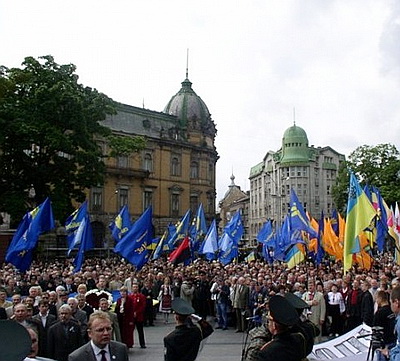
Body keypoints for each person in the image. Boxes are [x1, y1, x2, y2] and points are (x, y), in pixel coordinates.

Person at [254, 295, 307, 361]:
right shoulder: (298, 339)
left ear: (274, 326)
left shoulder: (266, 351)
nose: (268, 324)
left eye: (269, 321)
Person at [374, 291, 396, 361]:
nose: (376, 301)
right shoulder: (392, 310)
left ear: (380, 298)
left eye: (376, 299)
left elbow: (376, 330)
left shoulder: (379, 313)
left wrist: (376, 345)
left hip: (384, 344)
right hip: (394, 340)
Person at [131, 282, 147, 348]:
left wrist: (137, 312)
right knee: (130, 331)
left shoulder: (141, 296)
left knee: (140, 330)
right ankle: (130, 343)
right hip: (131, 316)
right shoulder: (130, 296)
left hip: (139, 316)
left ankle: (142, 343)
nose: (135, 288)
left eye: (136, 287)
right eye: (134, 287)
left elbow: (143, 306)